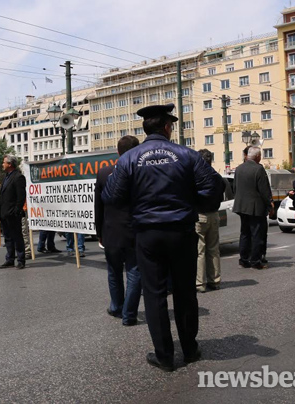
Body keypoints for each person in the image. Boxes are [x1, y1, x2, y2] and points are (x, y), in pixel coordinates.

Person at [102, 104, 225, 372]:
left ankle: (165, 356)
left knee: (154, 294)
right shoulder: (186, 154)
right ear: (167, 127)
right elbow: (215, 186)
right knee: (184, 292)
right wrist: (191, 204)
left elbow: (111, 197)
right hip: (181, 231)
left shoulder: (129, 158)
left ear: (145, 127)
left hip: (148, 234)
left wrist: (137, 206)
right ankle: (190, 349)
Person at [95, 135, 142, 326]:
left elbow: (98, 206)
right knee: (134, 271)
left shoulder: (104, 172)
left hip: (111, 230)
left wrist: (100, 232)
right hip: (134, 230)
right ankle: (129, 314)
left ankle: (116, 306)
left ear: (118, 152)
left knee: (114, 271)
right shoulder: (140, 172)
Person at [233, 146, 273, 270]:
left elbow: (235, 187)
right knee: (257, 234)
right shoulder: (258, 169)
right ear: (257, 156)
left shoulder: (239, 168)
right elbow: (264, 190)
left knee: (244, 233)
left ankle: (243, 259)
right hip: (255, 207)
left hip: (241, 206)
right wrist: (270, 204)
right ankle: (255, 260)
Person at [195, 149, 222, 293]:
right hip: (214, 214)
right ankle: (215, 280)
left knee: (200, 251)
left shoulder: (196, 176)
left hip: (200, 215)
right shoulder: (217, 177)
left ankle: (200, 283)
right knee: (214, 249)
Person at [0, 154, 26, 269]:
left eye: (4, 162)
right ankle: (9, 259)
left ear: (9, 164)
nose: (2, 164)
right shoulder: (6, 177)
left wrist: (16, 211)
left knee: (17, 237)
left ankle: (21, 260)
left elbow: (21, 197)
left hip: (13, 214)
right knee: (8, 237)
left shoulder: (18, 177)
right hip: (4, 213)